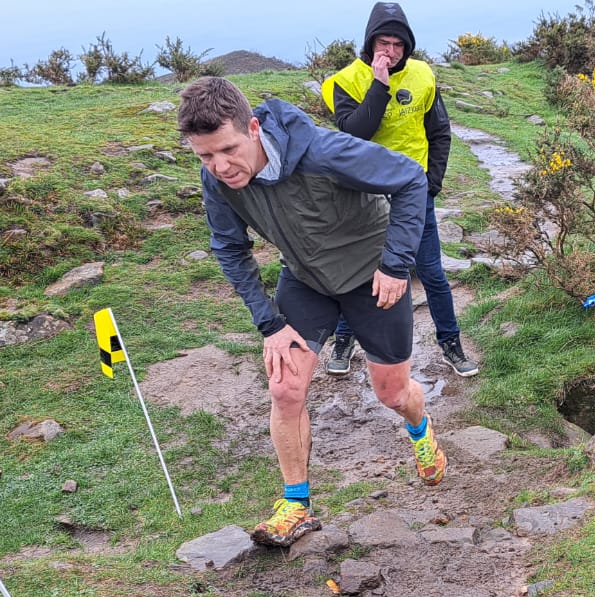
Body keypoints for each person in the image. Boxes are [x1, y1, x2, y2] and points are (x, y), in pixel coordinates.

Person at [178, 76, 447, 547]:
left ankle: (420, 427)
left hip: (372, 278)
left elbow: (409, 178)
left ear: (254, 129)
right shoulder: (217, 179)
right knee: (284, 387)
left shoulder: (323, 152)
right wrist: (270, 323)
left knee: (392, 393)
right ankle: (296, 505)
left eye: (228, 149)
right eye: (205, 156)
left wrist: (395, 264)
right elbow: (229, 247)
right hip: (306, 279)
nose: (220, 166)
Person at [320, 1, 478, 378]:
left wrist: (431, 184)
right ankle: (345, 339)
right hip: (365, 194)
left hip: (414, 193)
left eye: (397, 45)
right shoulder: (345, 81)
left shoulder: (423, 75)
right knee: (360, 272)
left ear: (407, 47)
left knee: (432, 273)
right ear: (369, 43)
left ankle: (450, 343)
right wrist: (380, 85)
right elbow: (356, 133)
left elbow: (439, 132)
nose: (390, 52)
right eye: (383, 43)